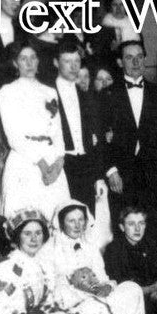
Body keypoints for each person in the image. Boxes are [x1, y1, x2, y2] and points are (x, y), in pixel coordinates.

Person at [0, 210, 141, 314]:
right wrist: (46, 311)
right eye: (27, 234)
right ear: (17, 237)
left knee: (90, 307)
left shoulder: (41, 263)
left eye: (38, 233)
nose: (34, 239)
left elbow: (54, 297)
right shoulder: (7, 267)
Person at [100, 40, 157, 234]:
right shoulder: (107, 95)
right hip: (121, 175)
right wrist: (111, 171)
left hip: (153, 173)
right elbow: (101, 138)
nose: (135, 62)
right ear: (119, 62)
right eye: (129, 58)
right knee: (123, 227)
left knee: (154, 227)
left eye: (140, 57)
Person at [38, 201, 146, 314]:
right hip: (71, 299)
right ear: (62, 223)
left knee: (132, 288)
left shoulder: (90, 246)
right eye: (71, 221)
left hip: (98, 294)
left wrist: (107, 287)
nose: (77, 225)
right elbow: (51, 287)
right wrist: (81, 292)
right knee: (90, 305)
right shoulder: (50, 249)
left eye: (81, 220)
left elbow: (102, 277)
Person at [0, 42, 68, 220]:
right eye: (23, 58)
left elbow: (58, 131)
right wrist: (42, 165)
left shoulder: (50, 91)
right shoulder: (7, 92)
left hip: (53, 162)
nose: (29, 63)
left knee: (56, 218)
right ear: (15, 63)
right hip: (25, 161)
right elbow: (14, 137)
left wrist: (59, 162)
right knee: (26, 221)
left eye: (33, 58)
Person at [51, 39, 107, 215]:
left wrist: (98, 175)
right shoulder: (46, 94)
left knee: (85, 217)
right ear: (55, 63)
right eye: (67, 61)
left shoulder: (88, 96)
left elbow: (97, 139)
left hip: (86, 165)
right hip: (61, 164)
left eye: (77, 61)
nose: (74, 67)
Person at [103, 206, 157, 314]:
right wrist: (149, 289)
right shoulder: (113, 249)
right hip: (129, 299)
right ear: (122, 227)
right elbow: (119, 284)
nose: (137, 229)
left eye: (141, 223)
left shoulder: (151, 245)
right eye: (131, 224)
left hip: (153, 295)